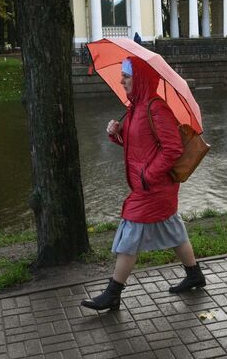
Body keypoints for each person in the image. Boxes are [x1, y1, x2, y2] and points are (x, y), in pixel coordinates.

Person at [81, 56, 206, 312]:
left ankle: (112, 293)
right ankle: (194, 275)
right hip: (149, 186)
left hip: (154, 187)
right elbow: (138, 147)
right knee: (173, 227)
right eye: (122, 75)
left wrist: (148, 175)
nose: (122, 80)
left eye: (127, 76)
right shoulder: (135, 108)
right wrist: (116, 134)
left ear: (140, 79)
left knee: (131, 231)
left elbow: (171, 150)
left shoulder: (156, 108)